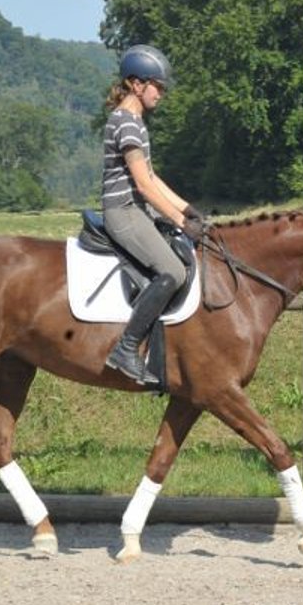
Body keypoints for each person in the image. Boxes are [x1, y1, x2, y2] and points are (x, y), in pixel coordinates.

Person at [101, 44, 205, 385]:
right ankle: (127, 347)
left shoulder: (135, 122)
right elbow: (143, 186)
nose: (161, 93)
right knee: (173, 271)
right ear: (136, 84)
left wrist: (187, 209)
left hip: (138, 211)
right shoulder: (127, 124)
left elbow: (153, 178)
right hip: (124, 212)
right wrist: (179, 223)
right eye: (157, 86)